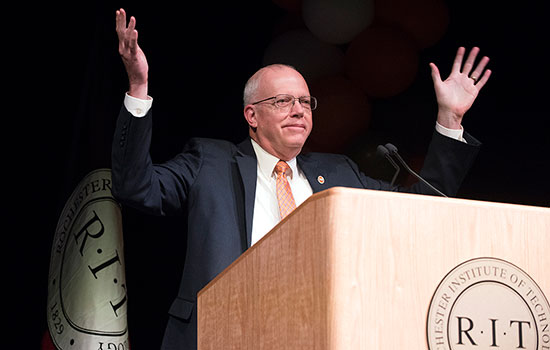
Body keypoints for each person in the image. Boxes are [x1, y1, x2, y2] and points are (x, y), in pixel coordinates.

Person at [113, 8, 491, 350]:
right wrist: (138, 89)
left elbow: (418, 211)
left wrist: (449, 121)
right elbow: (136, 187)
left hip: (319, 335)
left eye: (305, 102)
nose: (298, 111)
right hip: (222, 334)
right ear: (251, 115)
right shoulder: (209, 161)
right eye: (282, 101)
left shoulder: (340, 174)